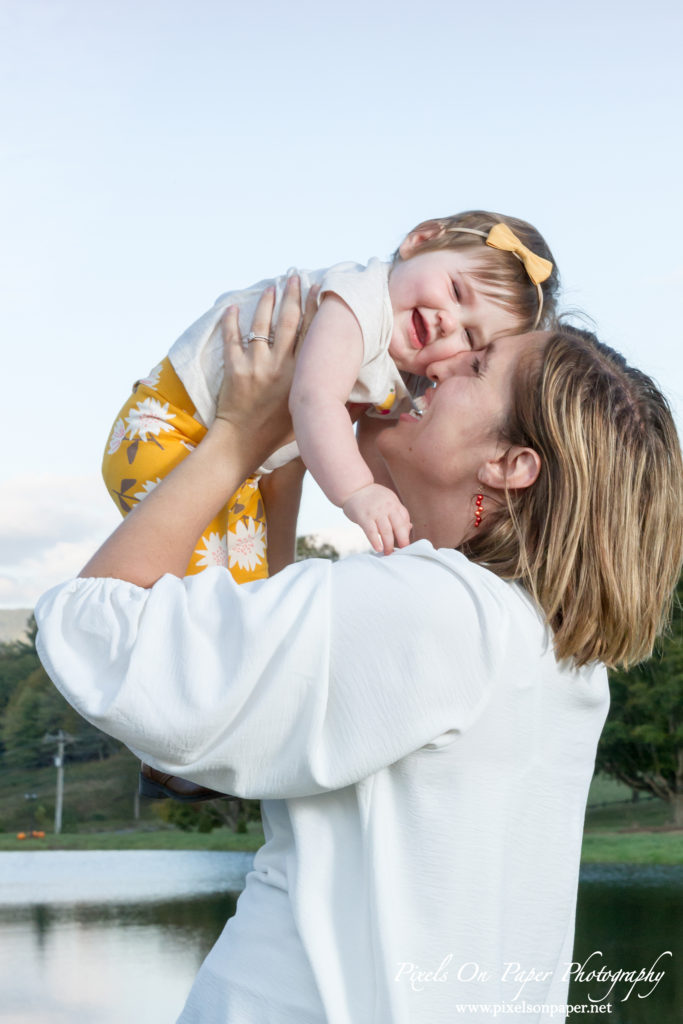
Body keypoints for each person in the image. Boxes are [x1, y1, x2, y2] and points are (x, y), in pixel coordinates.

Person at [35, 281, 682, 1022]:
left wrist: (237, 438)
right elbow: (284, 688)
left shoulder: (437, 610)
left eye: (475, 367)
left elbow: (94, 631)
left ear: (511, 463)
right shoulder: (549, 651)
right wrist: (284, 477)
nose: (434, 362)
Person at [102, 210, 558, 567]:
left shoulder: (399, 360)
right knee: (214, 605)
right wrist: (357, 493)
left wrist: (402, 532)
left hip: (226, 464)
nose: (448, 323)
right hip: (168, 430)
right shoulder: (358, 302)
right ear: (420, 241)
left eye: (471, 340)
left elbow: (371, 449)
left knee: (253, 593)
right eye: (457, 292)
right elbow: (314, 399)